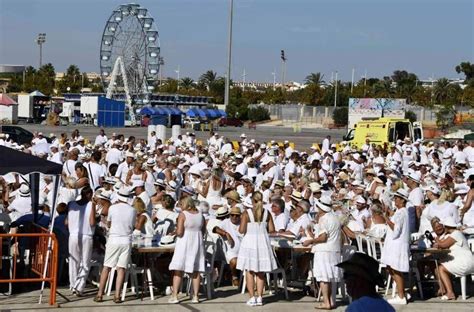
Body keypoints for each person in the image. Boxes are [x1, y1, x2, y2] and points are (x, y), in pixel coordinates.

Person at [94, 186, 136, 303]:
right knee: (121, 268)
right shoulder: (132, 210)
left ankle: (100, 294)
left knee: (106, 267)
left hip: (114, 239)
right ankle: (117, 295)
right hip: (126, 240)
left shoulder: (113, 208)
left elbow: (108, 223)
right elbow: (132, 226)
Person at [237, 191, 277, 306]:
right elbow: (272, 230)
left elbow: (241, 230)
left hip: (250, 243)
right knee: (260, 272)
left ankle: (252, 297)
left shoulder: (246, 213)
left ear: (252, 200)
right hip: (262, 243)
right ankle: (259, 297)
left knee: (250, 271)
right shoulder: (267, 213)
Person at [303, 196, 342, 310]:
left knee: (323, 278)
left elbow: (323, 237)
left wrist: (310, 241)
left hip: (324, 250)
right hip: (334, 250)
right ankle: (331, 301)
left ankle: (326, 302)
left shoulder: (323, 219)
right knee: (329, 277)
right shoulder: (335, 218)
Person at [168, 197, 205, 304]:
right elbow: (203, 229)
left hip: (185, 242)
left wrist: (175, 232)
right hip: (197, 241)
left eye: (181, 203)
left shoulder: (183, 214)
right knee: (196, 270)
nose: (180, 206)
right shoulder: (200, 214)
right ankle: (196, 296)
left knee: (178, 269)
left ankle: (175, 295)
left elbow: (180, 232)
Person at [380, 189, 410, 305]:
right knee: (390, 268)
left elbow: (396, 230)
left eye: (397, 198)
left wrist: (385, 218)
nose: (395, 200)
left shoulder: (402, 212)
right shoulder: (400, 212)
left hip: (397, 245)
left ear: (402, 200)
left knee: (396, 270)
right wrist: (388, 214)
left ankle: (401, 296)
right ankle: (401, 292)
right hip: (394, 244)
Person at [435, 216, 474, 300]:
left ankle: (450, 293)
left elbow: (443, 245)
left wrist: (437, 239)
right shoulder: (454, 234)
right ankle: (445, 289)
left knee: (440, 268)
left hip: (465, 263)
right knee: (441, 265)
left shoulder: (456, 233)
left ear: (447, 226)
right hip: (465, 261)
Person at [67, 186, 96, 296]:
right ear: (89, 194)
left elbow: (66, 222)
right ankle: (79, 286)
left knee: (73, 261)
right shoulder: (90, 204)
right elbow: (92, 222)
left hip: (73, 235)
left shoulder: (71, 204)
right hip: (86, 235)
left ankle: (73, 284)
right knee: (85, 262)